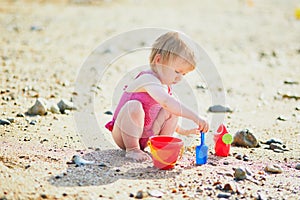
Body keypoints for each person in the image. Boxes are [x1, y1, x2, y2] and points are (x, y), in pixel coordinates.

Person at [105, 31, 209, 161]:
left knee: (171, 109)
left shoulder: (165, 86)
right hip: (124, 135)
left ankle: (163, 146)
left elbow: (164, 111)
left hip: (147, 135)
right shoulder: (147, 79)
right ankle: (132, 149)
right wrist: (195, 117)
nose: (179, 78)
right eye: (177, 71)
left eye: (184, 74)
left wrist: (183, 131)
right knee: (134, 106)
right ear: (158, 61)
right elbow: (166, 101)